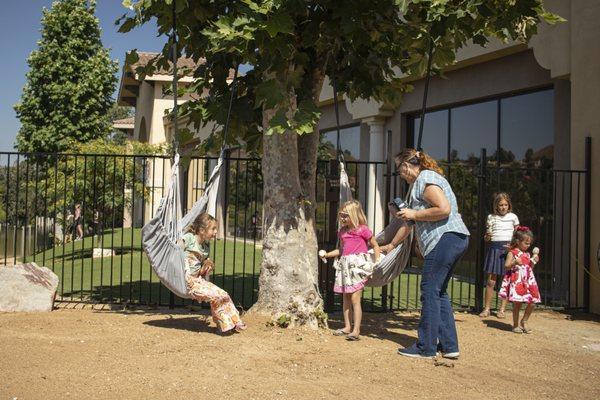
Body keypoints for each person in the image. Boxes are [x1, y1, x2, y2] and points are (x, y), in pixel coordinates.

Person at [388, 149, 470, 359]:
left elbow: (443, 209)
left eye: (399, 171)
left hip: (446, 238)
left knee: (429, 289)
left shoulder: (425, 178)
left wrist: (413, 213)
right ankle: (450, 346)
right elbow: (418, 220)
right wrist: (406, 221)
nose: (401, 176)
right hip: (454, 238)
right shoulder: (423, 181)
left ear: (406, 166)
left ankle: (426, 347)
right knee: (439, 291)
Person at [319, 200, 380, 341]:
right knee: (345, 298)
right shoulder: (342, 232)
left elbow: (375, 245)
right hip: (346, 267)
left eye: (345, 215)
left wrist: (377, 262)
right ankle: (347, 326)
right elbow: (342, 249)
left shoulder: (363, 229)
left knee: (355, 298)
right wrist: (327, 255)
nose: (342, 218)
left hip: (358, 267)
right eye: (341, 215)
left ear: (353, 215)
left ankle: (356, 330)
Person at [181, 213, 246, 334]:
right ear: (201, 230)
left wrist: (206, 266)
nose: (216, 232)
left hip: (198, 281)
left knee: (223, 294)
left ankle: (234, 322)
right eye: (213, 229)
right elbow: (176, 249)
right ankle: (224, 325)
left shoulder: (205, 247)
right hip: (187, 282)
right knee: (216, 296)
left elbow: (198, 270)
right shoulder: (189, 238)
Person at [479, 193, 520, 319]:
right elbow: (486, 238)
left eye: (505, 205)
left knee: (506, 281)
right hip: (494, 249)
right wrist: (487, 236)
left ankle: (502, 310)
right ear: (496, 206)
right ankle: (487, 309)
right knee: (491, 281)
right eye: (500, 205)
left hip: (509, 251)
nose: (503, 207)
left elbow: (518, 235)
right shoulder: (491, 217)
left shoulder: (513, 217)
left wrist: (513, 247)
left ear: (509, 205)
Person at [498, 226, 541, 333]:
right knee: (517, 303)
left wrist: (533, 262)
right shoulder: (512, 252)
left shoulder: (527, 254)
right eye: (526, 243)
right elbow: (507, 266)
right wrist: (514, 262)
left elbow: (529, 267)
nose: (528, 245)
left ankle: (524, 321)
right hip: (517, 280)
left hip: (528, 279)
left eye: (529, 243)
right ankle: (516, 325)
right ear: (518, 241)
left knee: (533, 301)